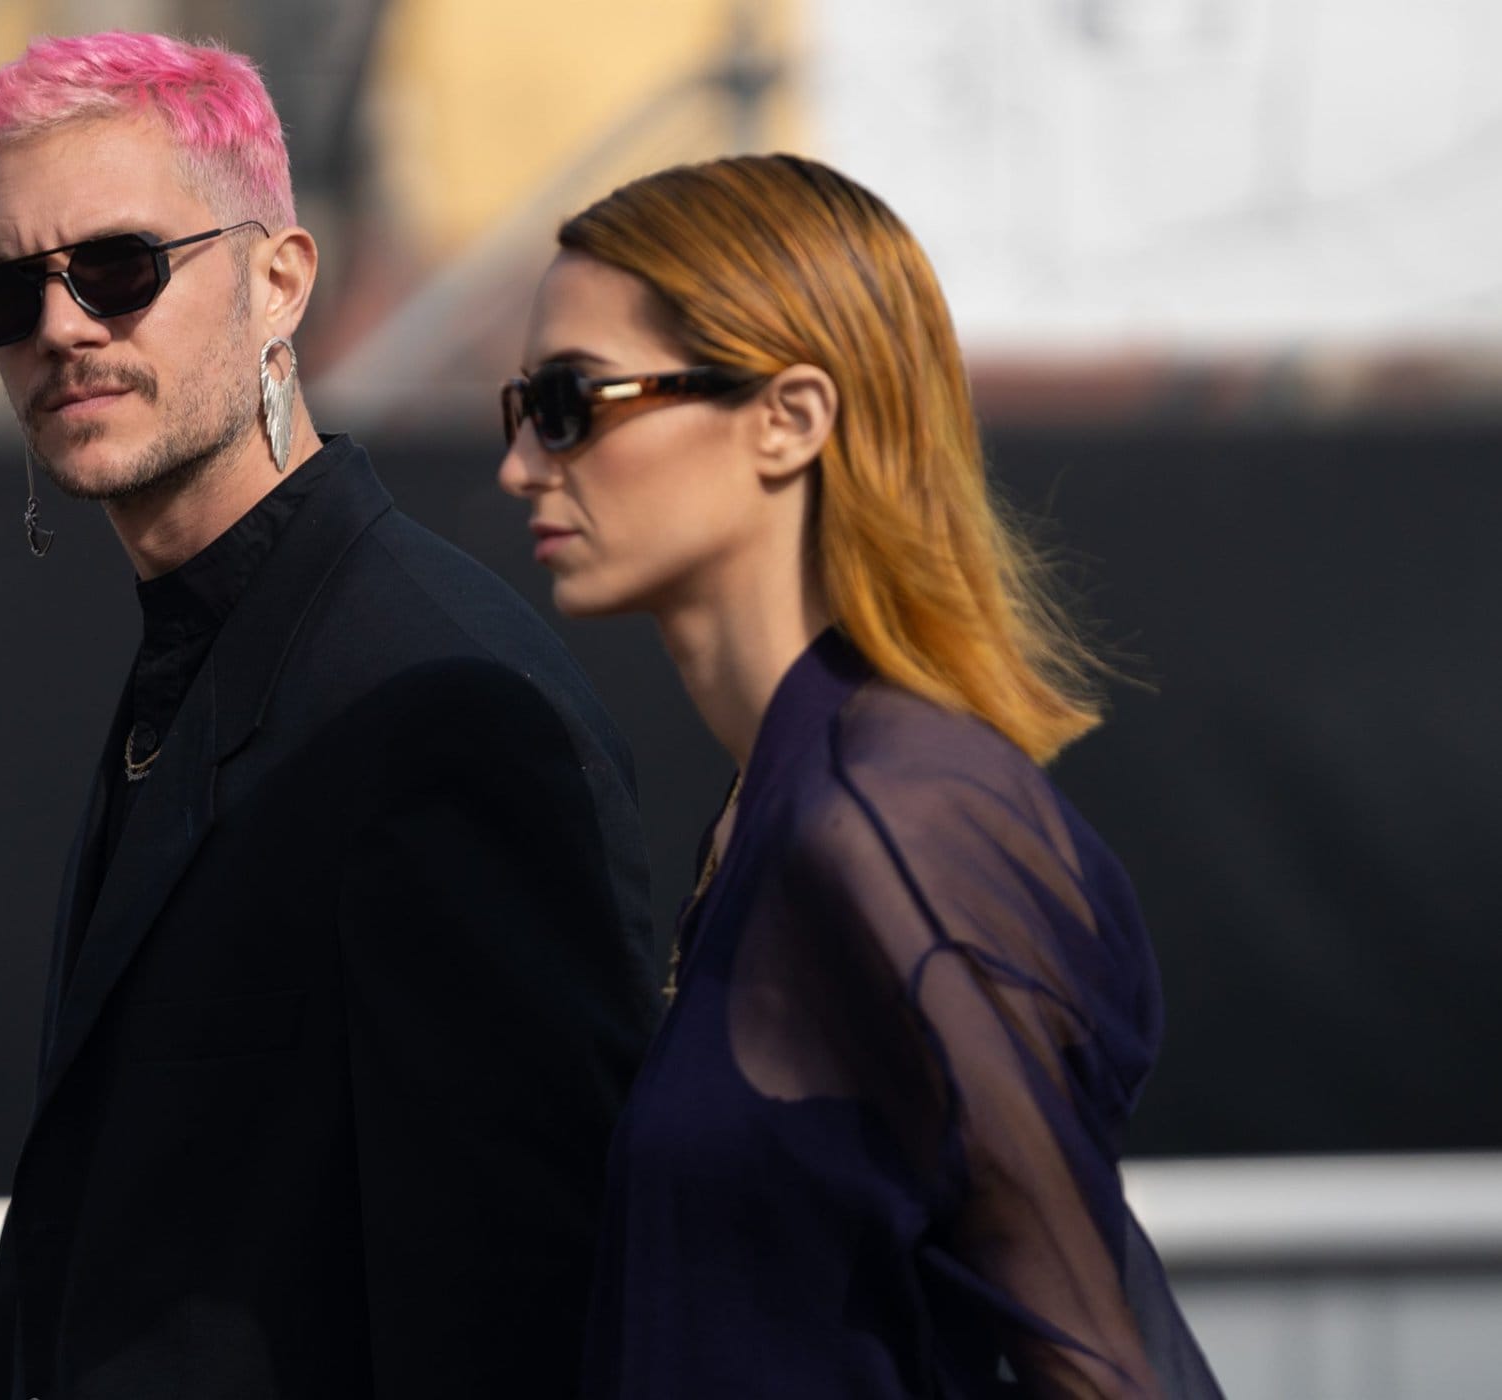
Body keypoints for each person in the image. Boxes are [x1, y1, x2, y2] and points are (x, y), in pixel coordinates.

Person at [0, 32, 660, 1400]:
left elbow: (521, 1307)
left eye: (121, 267)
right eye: (7, 293)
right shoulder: (208, 653)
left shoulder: (438, 707)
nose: (63, 327)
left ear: (280, 281)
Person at [498, 154, 1224, 1398]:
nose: (521, 463)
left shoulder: (892, 817)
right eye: (519, 406)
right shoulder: (783, 799)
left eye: (569, 401)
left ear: (790, 417)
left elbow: (1103, 1362)